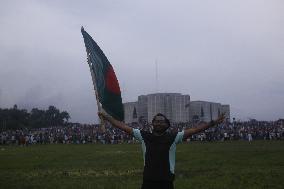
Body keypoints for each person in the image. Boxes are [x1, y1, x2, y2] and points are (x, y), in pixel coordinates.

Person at [99, 111, 225, 189]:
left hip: (166, 181)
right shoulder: (143, 135)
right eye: (156, 121)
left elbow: (195, 130)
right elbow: (123, 127)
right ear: (152, 124)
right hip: (148, 180)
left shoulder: (174, 137)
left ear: (166, 124)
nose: (159, 123)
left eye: (161, 121)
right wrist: (107, 117)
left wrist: (213, 122)